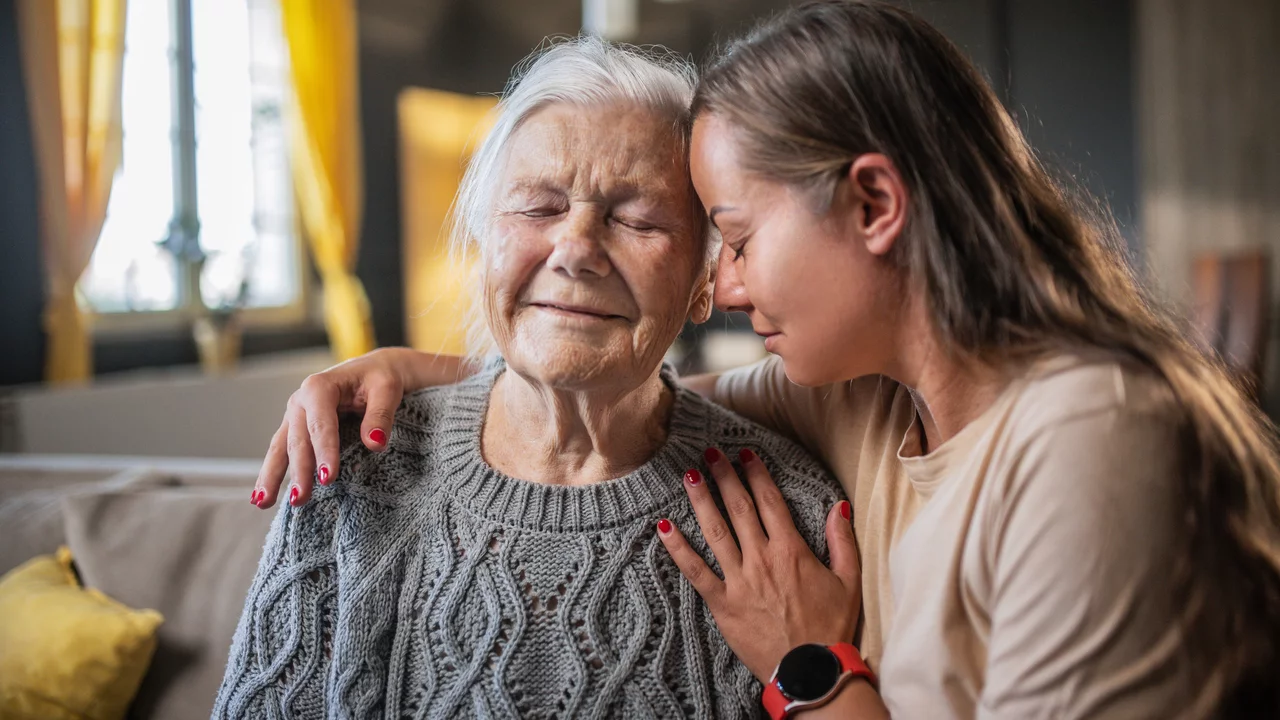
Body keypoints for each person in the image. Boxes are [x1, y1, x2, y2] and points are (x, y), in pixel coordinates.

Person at [255, 1, 1280, 718]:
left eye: (733, 239)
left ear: (874, 206)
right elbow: (619, 379)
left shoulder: (1090, 435)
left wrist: (812, 669)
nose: (731, 290)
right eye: (535, 208)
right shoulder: (869, 404)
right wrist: (394, 370)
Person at [215, 38, 855, 720]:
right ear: (483, 243)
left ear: (704, 282)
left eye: (636, 219)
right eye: (537, 208)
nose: (576, 249)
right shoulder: (356, 469)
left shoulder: (784, 518)